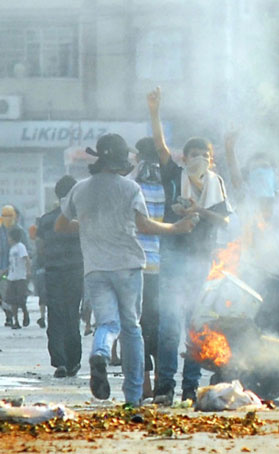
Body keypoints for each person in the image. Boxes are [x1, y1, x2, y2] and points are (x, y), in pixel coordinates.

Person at [55, 133, 196, 405]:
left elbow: (61, 226)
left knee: (108, 323)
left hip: (95, 269)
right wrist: (175, 228)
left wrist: (89, 226)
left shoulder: (80, 188)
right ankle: (132, 397)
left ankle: (101, 352)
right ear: (121, 160)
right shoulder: (130, 188)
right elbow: (144, 226)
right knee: (131, 328)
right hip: (129, 267)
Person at [147, 87, 231, 405]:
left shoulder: (216, 184)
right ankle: (165, 387)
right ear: (184, 158)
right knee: (169, 323)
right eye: (194, 154)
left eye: (204, 155)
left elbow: (223, 221)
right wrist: (155, 112)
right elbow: (159, 145)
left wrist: (200, 211)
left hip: (201, 259)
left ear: (211, 160)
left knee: (196, 325)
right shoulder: (173, 174)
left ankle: (190, 387)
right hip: (172, 254)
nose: (199, 159)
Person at [225, 143, 279, 360]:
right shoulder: (247, 200)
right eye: (255, 169)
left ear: (274, 172)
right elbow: (235, 178)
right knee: (255, 334)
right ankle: (260, 383)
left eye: (265, 168)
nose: (260, 173)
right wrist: (229, 146)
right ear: (249, 176)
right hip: (252, 279)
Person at [36, 175, 84, 377]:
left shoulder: (46, 220)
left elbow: (40, 248)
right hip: (75, 272)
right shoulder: (79, 222)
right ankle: (73, 361)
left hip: (53, 273)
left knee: (55, 315)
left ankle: (60, 362)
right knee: (73, 314)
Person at [131, 137, 166, 399]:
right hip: (163, 265)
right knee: (159, 325)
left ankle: (144, 386)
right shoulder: (169, 183)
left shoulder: (132, 183)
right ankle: (160, 382)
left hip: (136, 264)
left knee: (139, 326)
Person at [0, 205, 29, 326]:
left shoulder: (19, 231)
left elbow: (27, 250)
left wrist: (27, 269)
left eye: (9, 215)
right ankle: (9, 316)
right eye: (4, 215)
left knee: (18, 296)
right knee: (5, 295)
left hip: (17, 271)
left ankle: (21, 314)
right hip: (3, 268)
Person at [4, 228, 31, 329]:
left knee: (20, 298)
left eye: (9, 237)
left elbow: (26, 259)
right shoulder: (11, 249)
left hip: (20, 277)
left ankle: (25, 312)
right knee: (12, 301)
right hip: (12, 277)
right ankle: (16, 321)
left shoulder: (20, 247)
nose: (8, 239)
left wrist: (28, 271)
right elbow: (12, 264)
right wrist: (5, 272)